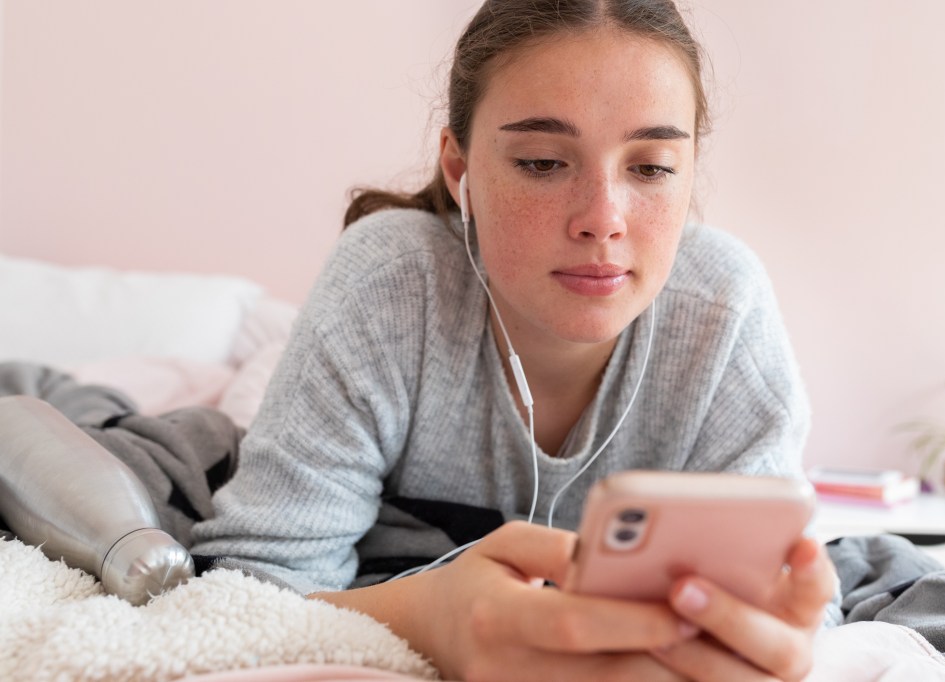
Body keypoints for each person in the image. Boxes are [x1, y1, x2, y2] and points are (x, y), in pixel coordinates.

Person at [190, 1, 837, 679]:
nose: (602, 220)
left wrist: (775, 633)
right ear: (458, 168)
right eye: (540, 162)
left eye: (649, 168)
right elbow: (247, 591)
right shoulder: (390, 284)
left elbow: (791, 605)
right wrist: (428, 618)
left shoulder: (722, 310)